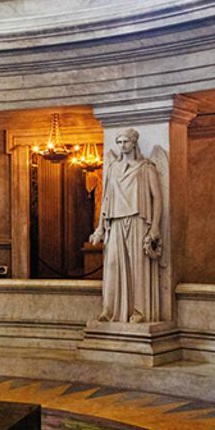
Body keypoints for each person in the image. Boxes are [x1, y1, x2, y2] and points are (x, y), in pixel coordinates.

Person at [89, 128, 163, 323]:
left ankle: (139, 311)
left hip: (137, 220)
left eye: (126, 142)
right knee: (112, 264)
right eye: (119, 142)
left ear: (133, 142)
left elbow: (157, 198)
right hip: (115, 221)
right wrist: (100, 228)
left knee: (137, 266)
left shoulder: (146, 167)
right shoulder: (113, 168)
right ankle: (110, 310)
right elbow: (106, 199)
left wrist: (155, 226)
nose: (122, 146)